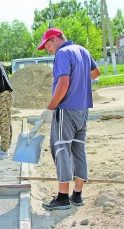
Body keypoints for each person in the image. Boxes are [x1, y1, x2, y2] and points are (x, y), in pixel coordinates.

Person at [37, 28, 101, 210]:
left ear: (56, 39)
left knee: (61, 149)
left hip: (66, 110)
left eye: (47, 45)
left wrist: (50, 108)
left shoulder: (63, 53)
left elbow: (63, 83)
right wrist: (80, 85)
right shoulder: (83, 51)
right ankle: (77, 195)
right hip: (83, 110)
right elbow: (96, 73)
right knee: (78, 149)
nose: (48, 49)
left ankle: (63, 198)